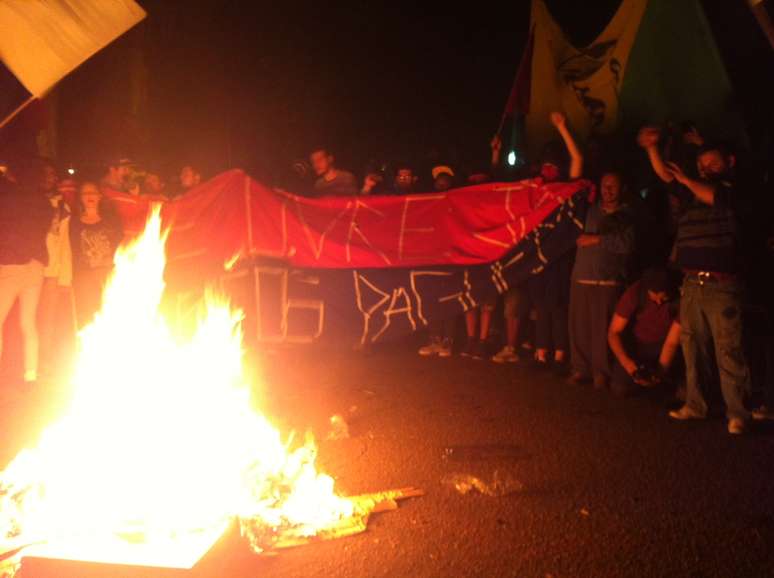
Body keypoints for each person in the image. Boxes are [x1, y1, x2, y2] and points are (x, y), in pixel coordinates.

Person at [639, 133, 752, 434]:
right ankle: (696, 404)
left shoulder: (736, 191)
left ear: (730, 162)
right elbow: (667, 177)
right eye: (702, 164)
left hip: (722, 285)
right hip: (691, 283)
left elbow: (709, 193)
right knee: (692, 347)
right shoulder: (691, 192)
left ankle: (738, 413)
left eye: (712, 163)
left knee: (729, 350)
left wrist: (689, 180)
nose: (705, 169)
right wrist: (651, 147)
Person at [493, 112, 581, 366]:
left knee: (556, 306)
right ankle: (542, 354)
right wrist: (497, 155)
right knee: (540, 305)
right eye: (545, 165)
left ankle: (561, 355)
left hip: (559, 255)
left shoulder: (567, 188)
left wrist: (563, 128)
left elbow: (577, 158)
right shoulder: (533, 190)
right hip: (535, 256)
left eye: (553, 166)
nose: (548, 170)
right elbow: (501, 187)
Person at [568, 170, 635, 389]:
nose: (608, 190)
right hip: (582, 276)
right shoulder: (588, 211)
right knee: (580, 326)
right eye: (605, 185)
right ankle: (580, 368)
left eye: (613, 186)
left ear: (621, 189)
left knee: (602, 329)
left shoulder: (627, 215)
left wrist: (596, 239)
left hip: (608, 280)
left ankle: (601, 372)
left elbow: (626, 245)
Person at [0, 158, 53, 384]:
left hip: (11, 265)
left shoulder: (8, 199)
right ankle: (30, 372)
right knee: (28, 322)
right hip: (35, 266)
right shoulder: (43, 203)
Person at [607, 269, 682, 398]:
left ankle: (666, 385)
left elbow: (671, 343)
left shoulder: (681, 300)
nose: (659, 303)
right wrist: (628, 364)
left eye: (664, 298)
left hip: (662, 345)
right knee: (620, 389)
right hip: (637, 344)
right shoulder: (636, 292)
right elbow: (614, 332)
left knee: (672, 393)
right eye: (655, 299)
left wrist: (660, 372)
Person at [69, 182, 123, 329]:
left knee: (110, 313)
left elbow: (121, 245)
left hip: (107, 276)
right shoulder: (73, 223)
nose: (90, 196)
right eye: (85, 193)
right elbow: (71, 250)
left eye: (93, 192)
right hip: (84, 278)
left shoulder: (112, 220)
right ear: (80, 198)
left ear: (99, 196)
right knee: (88, 316)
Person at [38, 165, 74, 376]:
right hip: (26, 266)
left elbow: (65, 244)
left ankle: (44, 360)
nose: (49, 178)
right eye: (45, 173)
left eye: (53, 174)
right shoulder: (29, 201)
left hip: (51, 271)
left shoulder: (61, 207)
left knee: (47, 318)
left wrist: (65, 278)